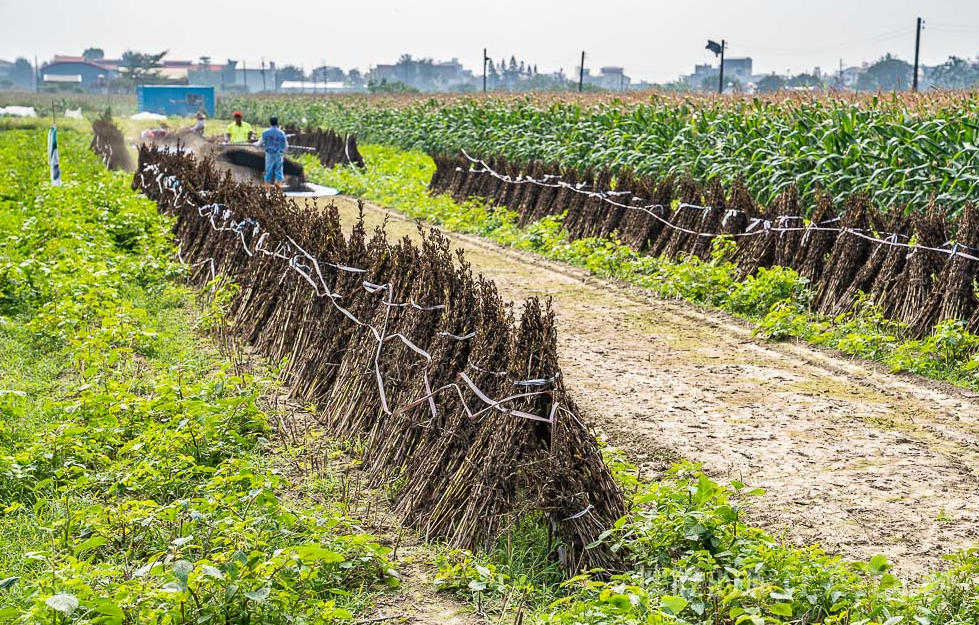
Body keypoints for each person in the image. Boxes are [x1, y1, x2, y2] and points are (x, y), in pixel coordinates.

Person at [255, 115, 288, 189]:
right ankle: (277, 190)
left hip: (269, 154)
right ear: (277, 122)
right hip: (279, 154)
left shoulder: (266, 132)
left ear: (270, 122)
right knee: (278, 172)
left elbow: (258, 144)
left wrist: (254, 143)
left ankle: (267, 191)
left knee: (268, 172)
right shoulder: (281, 133)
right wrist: (283, 152)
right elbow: (286, 146)